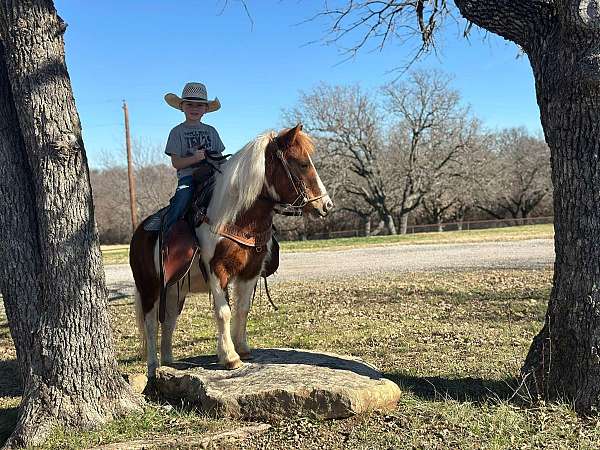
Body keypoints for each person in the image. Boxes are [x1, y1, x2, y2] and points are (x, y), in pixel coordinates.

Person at [162, 82, 225, 237]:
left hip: (213, 176)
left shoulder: (211, 131)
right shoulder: (177, 132)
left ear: (205, 109)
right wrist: (194, 158)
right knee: (182, 197)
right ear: (182, 106)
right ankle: (167, 234)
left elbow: (221, 159)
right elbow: (176, 163)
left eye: (199, 105)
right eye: (189, 104)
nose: (194, 108)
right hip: (189, 177)